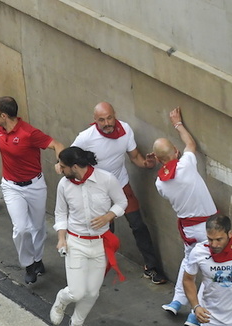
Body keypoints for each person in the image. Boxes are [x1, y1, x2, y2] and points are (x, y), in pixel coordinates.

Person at [70, 102, 168, 285]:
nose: (107, 123)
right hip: (98, 190)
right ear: (94, 120)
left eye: (109, 118)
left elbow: (135, 157)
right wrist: (63, 168)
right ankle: (99, 267)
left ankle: (151, 267)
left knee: (138, 224)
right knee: (107, 230)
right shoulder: (85, 138)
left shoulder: (125, 130)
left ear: (115, 115)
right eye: (102, 120)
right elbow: (68, 158)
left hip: (120, 185)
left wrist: (147, 164)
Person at [0, 96, 64, 284]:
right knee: (21, 228)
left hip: (35, 186)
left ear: (4, 115)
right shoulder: (1, 127)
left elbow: (56, 144)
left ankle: (38, 259)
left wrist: (60, 162)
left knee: (38, 227)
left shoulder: (29, 133)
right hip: (11, 186)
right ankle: (29, 265)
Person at [49, 147, 128, 326]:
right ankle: (61, 301)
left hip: (100, 244)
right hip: (76, 242)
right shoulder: (63, 185)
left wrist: (108, 216)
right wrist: (61, 238)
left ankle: (76, 325)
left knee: (93, 292)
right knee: (76, 292)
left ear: (75, 167)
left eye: (63, 166)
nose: (59, 169)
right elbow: (60, 213)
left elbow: (122, 202)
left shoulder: (106, 179)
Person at [152, 107, 217, 326]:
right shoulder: (187, 165)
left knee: (189, 263)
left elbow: (167, 169)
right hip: (208, 229)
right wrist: (178, 124)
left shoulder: (160, 183)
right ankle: (195, 314)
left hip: (188, 231)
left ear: (159, 160)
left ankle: (177, 300)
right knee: (209, 270)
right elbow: (191, 144)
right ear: (176, 152)